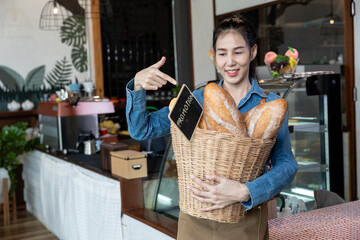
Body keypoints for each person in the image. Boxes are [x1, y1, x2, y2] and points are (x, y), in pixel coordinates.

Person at [125, 15, 298, 240]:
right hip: (194, 222)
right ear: (213, 56)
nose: (230, 62)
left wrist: (245, 191)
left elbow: (287, 164)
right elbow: (142, 130)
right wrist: (137, 86)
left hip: (244, 221)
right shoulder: (196, 99)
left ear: (253, 52)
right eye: (222, 53)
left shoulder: (270, 104)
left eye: (238, 52)